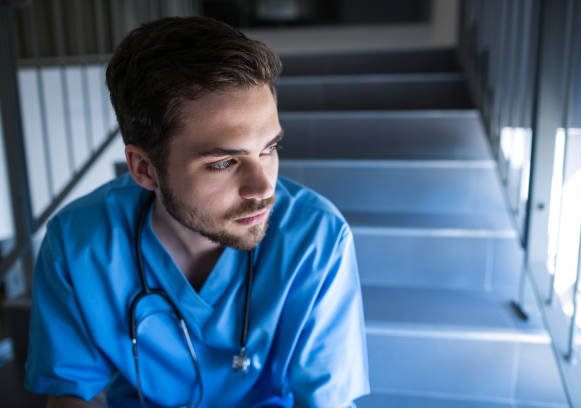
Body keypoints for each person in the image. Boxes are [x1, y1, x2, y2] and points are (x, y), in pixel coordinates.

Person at [24, 16, 370, 408]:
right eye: (223, 163)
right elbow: (74, 395)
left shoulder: (316, 238)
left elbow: (327, 401)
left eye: (269, 149)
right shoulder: (78, 242)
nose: (263, 188)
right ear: (144, 169)